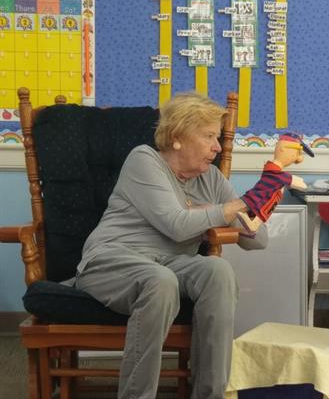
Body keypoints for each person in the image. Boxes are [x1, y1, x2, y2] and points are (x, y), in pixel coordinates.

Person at [74, 92, 268, 399]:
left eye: (218, 138)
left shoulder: (212, 179)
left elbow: (259, 240)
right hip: (112, 260)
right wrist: (228, 208)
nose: (217, 147)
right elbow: (176, 226)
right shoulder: (144, 160)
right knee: (160, 281)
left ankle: (209, 394)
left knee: (218, 270)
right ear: (178, 137)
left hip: (169, 265)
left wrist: (251, 204)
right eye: (208, 137)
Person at [237, 132, 314, 233]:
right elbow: (300, 185)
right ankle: (253, 225)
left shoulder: (272, 170)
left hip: (263, 199)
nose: (298, 158)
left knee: (261, 210)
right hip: (261, 199)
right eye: (298, 152)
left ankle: (252, 225)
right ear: (283, 148)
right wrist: (298, 181)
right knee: (262, 209)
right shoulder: (275, 173)